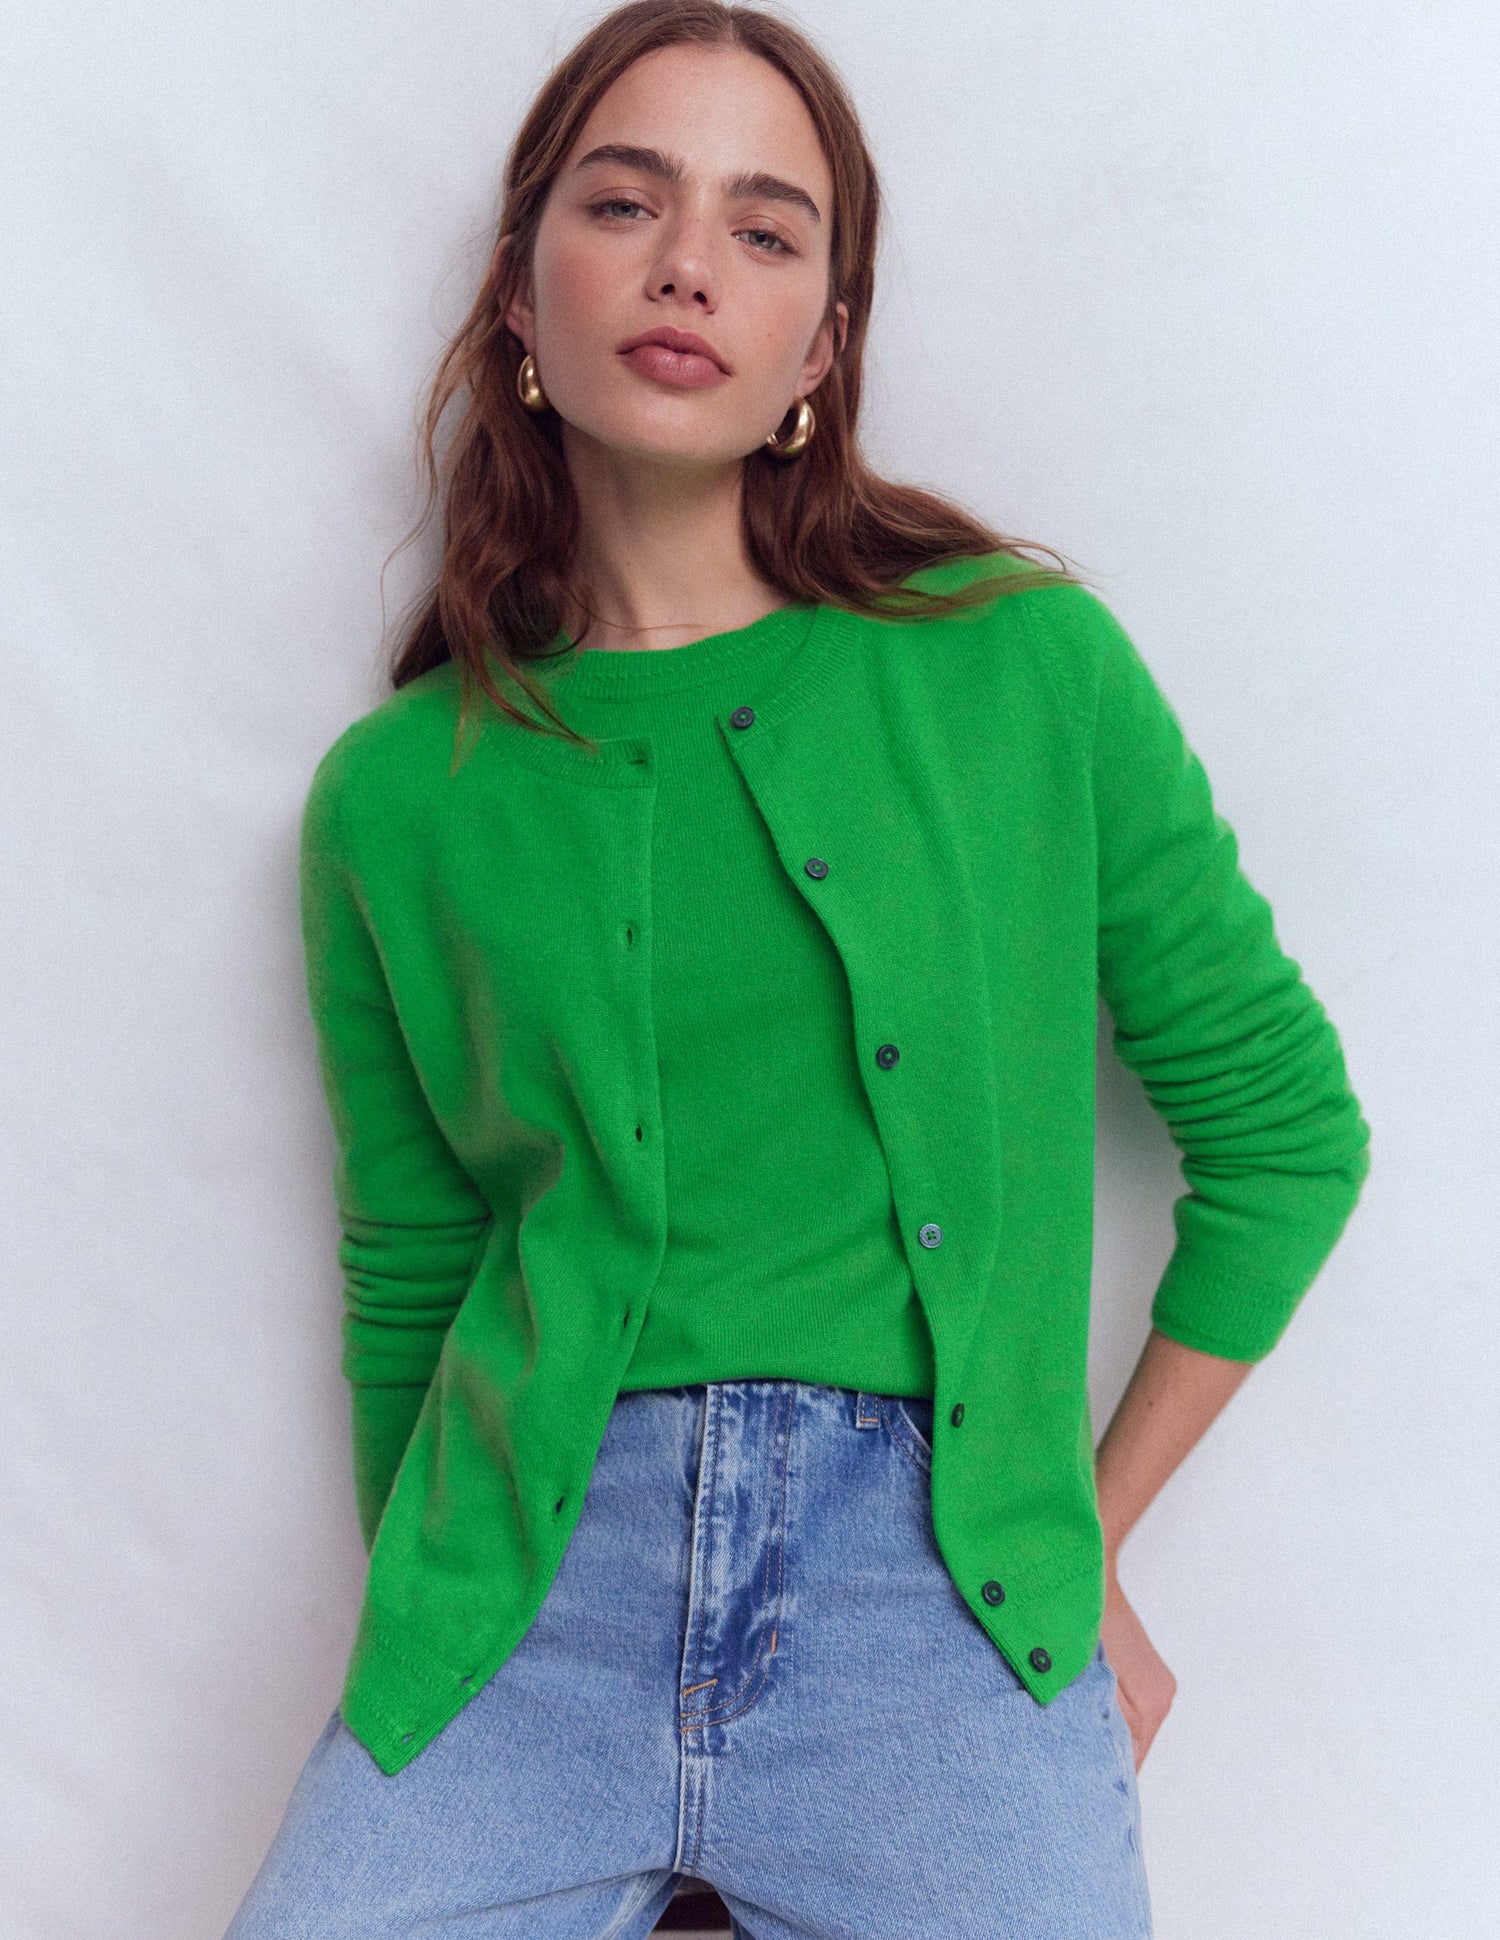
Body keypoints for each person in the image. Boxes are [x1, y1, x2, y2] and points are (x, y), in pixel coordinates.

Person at [224, 4, 1371, 1935]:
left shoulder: (1020, 667)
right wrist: (438, 1616)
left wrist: (1069, 1540)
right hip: (531, 1603)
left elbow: (1288, 1135)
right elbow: (413, 1271)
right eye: (625, 204)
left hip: (933, 1600)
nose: (689, 264)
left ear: (820, 350)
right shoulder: (402, 797)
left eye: (765, 230)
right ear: (520, 289)